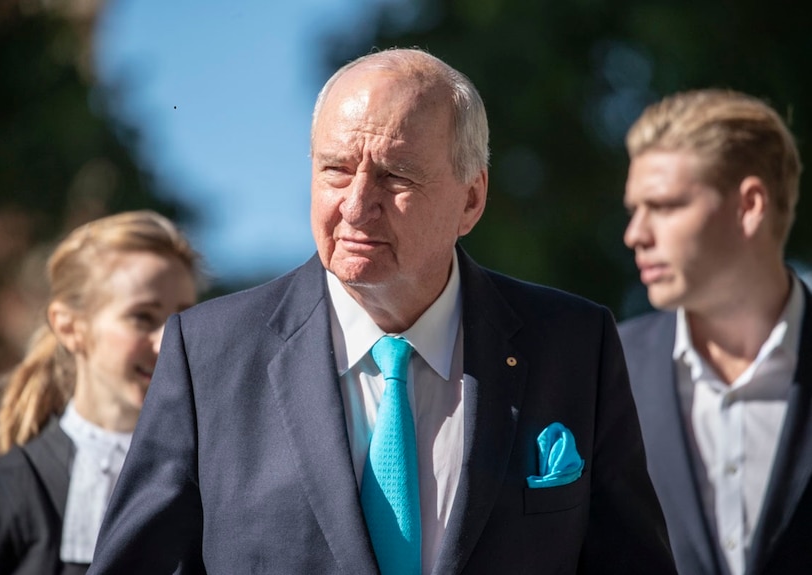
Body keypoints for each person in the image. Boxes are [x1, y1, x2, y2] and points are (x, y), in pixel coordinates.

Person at [89, 48, 676, 575]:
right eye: (336, 169)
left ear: (470, 198)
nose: (357, 204)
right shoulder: (209, 355)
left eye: (395, 175)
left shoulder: (573, 346)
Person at [620, 89, 810, 575]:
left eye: (662, 206)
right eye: (633, 209)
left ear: (749, 205)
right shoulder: (609, 366)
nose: (636, 234)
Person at [0, 210, 201, 574]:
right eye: (142, 317)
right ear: (70, 328)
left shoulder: (211, 501)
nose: (168, 342)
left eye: (183, 320)